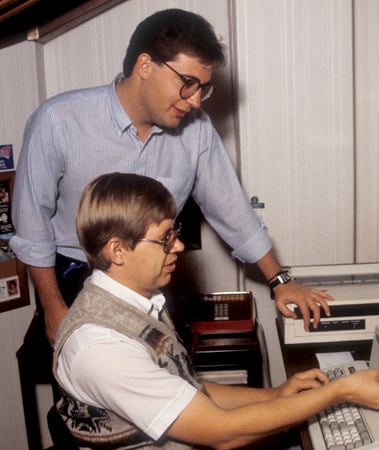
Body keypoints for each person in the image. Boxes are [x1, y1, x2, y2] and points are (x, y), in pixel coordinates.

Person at [11, 8, 333, 347]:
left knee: (171, 388)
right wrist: (52, 307)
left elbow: (232, 211)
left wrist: (280, 281)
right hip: (74, 282)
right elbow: (32, 227)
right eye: (187, 83)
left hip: (153, 285)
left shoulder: (197, 132)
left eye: (203, 89)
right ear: (145, 66)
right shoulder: (58, 120)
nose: (195, 101)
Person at [53, 172, 379, 449]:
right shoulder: (100, 347)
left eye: (175, 232)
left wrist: (275, 394)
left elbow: (186, 389)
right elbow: (224, 434)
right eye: (164, 238)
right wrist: (339, 391)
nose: (179, 245)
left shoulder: (137, 302)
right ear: (118, 251)